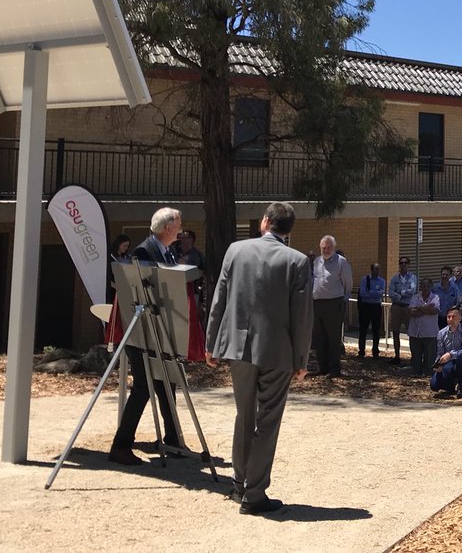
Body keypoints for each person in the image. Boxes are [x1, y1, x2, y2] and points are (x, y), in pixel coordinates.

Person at [205, 202, 313, 516]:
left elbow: (219, 297)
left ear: (265, 221)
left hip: (238, 347)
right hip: (278, 350)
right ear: (288, 230)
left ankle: (240, 485)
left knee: (244, 416)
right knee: (268, 421)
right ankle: (254, 494)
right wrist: (302, 359)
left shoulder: (235, 251)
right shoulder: (298, 261)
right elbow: (302, 316)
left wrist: (211, 342)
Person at [108, 207, 186, 463]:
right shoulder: (143, 252)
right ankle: (121, 446)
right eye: (178, 224)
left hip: (161, 330)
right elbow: (142, 293)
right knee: (143, 386)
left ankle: (173, 439)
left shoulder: (168, 251)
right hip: (141, 331)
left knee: (167, 381)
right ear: (167, 228)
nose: (181, 228)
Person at [311, 235, 352, 378]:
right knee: (319, 337)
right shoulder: (317, 261)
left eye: (328, 247)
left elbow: (348, 284)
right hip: (317, 303)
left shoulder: (341, 262)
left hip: (334, 303)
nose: (325, 250)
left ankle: (334, 370)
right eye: (323, 247)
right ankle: (322, 368)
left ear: (333, 247)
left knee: (333, 339)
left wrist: (343, 300)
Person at [431, 305, 462, 398]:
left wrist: (450, 354)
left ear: (460, 318)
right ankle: (450, 386)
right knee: (434, 386)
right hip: (447, 364)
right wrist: (438, 364)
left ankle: (460, 386)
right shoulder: (441, 333)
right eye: (448, 317)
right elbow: (440, 352)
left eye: (453, 317)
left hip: (461, 361)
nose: (450, 319)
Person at [407, 278, 440, 376]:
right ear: (420, 287)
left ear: (431, 287)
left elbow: (435, 311)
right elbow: (411, 312)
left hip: (430, 333)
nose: (425, 288)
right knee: (416, 357)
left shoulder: (435, 298)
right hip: (415, 333)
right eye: (423, 286)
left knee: (430, 358)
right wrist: (426, 309)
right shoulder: (415, 297)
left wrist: (419, 308)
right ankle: (417, 375)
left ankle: (429, 376)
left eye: (427, 286)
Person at [388, 256, 418, 364]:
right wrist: (401, 295)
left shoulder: (413, 278)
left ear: (409, 265)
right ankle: (397, 356)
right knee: (395, 332)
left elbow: (412, 290)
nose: (403, 265)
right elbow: (391, 292)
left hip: (407, 307)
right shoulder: (395, 278)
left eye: (405, 263)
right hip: (396, 306)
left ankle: (413, 357)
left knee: (411, 333)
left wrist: (400, 292)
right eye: (401, 263)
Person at [356, 262, 385, 358]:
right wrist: (375, 293)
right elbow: (363, 293)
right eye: (376, 269)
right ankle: (361, 351)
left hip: (376, 307)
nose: (378, 271)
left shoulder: (382, 281)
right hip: (365, 307)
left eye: (379, 269)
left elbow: (381, 293)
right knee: (363, 329)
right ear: (371, 270)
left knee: (376, 330)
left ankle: (375, 351)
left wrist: (371, 292)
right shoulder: (365, 279)